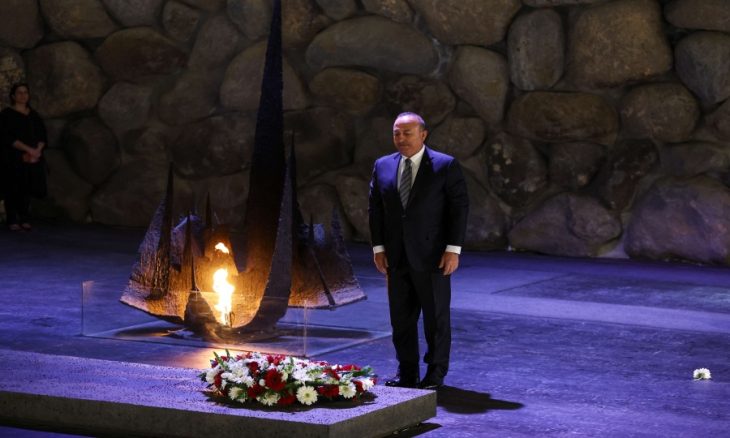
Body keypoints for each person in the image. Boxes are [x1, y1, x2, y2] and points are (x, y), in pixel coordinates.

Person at [368, 112, 469, 390]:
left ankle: (435, 373)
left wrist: (453, 249)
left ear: (423, 134)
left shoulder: (445, 165)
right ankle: (407, 372)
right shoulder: (383, 165)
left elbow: (458, 209)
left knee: (436, 319)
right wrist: (379, 248)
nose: (401, 138)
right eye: (396, 133)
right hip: (396, 256)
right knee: (401, 319)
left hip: (433, 256)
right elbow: (375, 209)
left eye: (407, 133)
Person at [1, 83, 47, 231]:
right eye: (19, 93)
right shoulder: (6, 115)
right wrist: (27, 150)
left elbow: (42, 135)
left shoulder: (33, 115)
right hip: (13, 157)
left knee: (27, 187)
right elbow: (6, 137)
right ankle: (12, 219)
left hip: (32, 157)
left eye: (25, 92)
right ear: (13, 96)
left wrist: (36, 151)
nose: (23, 95)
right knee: (12, 187)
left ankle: (25, 218)